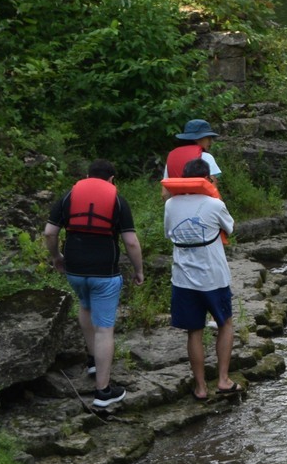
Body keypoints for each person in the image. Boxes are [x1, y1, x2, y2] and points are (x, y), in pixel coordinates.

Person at [41, 161, 145, 410]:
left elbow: (49, 232)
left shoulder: (68, 197)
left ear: (87, 176)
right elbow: (130, 242)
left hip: (74, 270)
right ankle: (103, 391)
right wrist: (139, 270)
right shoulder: (117, 200)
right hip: (105, 273)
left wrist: (56, 257)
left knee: (85, 307)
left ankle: (92, 359)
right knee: (104, 329)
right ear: (111, 180)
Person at [164, 158, 237, 399]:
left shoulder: (170, 204)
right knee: (225, 324)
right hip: (214, 278)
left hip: (183, 279)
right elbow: (230, 228)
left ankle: (201, 387)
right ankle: (223, 380)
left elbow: (168, 233)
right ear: (207, 179)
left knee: (193, 331)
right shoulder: (215, 204)